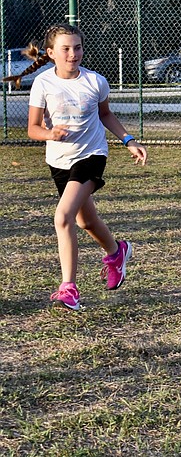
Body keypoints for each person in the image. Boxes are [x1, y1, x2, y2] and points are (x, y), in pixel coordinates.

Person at [17, 23, 148, 311]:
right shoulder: (43, 83)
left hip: (92, 156)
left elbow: (106, 114)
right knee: (84, 221)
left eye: (77, 47)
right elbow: (32, 129)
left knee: (63, 217)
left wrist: (128, 140)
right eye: (65, 48)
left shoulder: (96, 82)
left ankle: (69, 288)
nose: (73, 54)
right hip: (59, 161)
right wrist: (50, 134)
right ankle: (116, 253)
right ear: (51, 53)